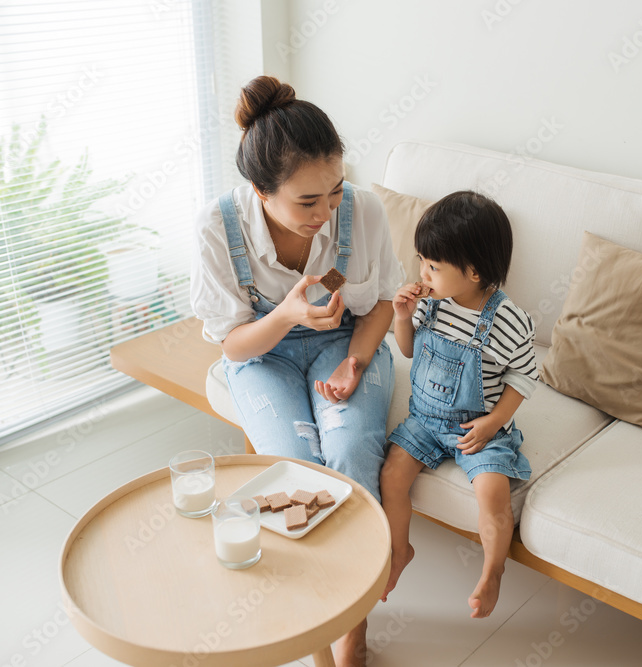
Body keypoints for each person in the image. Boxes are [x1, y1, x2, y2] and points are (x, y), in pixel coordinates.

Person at [190, 75, 403, 666]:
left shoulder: (362, 211)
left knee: (351, 457)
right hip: (263, 354)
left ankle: (350, 638)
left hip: (347, 343)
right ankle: (316, 635)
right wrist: (285, 314)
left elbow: (382, 302)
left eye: (334, 191)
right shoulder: (217, 229)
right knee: (295, 478)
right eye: (307, 201)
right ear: (260, 190)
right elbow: (232, 346)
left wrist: (356, 362)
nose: (327, 211)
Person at [380, 190, 538, 619]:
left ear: (472, 272)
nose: (422, 273)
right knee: (392, 475)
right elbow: (409, 351)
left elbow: (525, 376)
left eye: (433, 266)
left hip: (476, 427)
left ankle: (493, 571)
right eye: (421, 261)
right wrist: (400, 315)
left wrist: (495, 422)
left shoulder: (506, 320)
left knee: (492, 492)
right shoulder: (430, 304)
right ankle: (399, 550)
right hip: (425, 419)